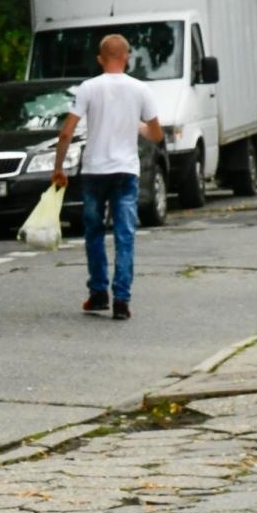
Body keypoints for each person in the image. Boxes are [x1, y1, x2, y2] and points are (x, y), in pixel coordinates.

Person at [51, 35, 164, 321]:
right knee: (125, 236)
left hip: (94, 171)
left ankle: (99, 292)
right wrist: (136, 127)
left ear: (100, 58)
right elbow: (156, 134)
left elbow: (66, 132)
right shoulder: (140, 89)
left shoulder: (88, 88)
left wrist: (59, 167)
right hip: (126, 171)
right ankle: (122, 300)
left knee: (94, 233)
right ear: (127, 57)